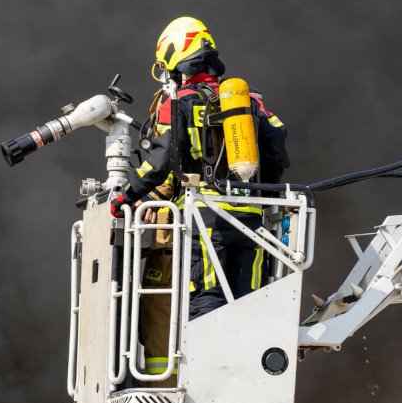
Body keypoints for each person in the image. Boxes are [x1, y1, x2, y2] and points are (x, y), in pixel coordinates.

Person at [113, 17, 290, 332]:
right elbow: (276, 141)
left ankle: (206, 379)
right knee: (249, 304)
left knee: (207, 300)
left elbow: (160, 160)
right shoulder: (250, 101)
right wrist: (269, 192)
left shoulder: (178, 102)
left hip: (207, 222)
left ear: (175, 57)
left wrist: (126, 195)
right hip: (251, 220)